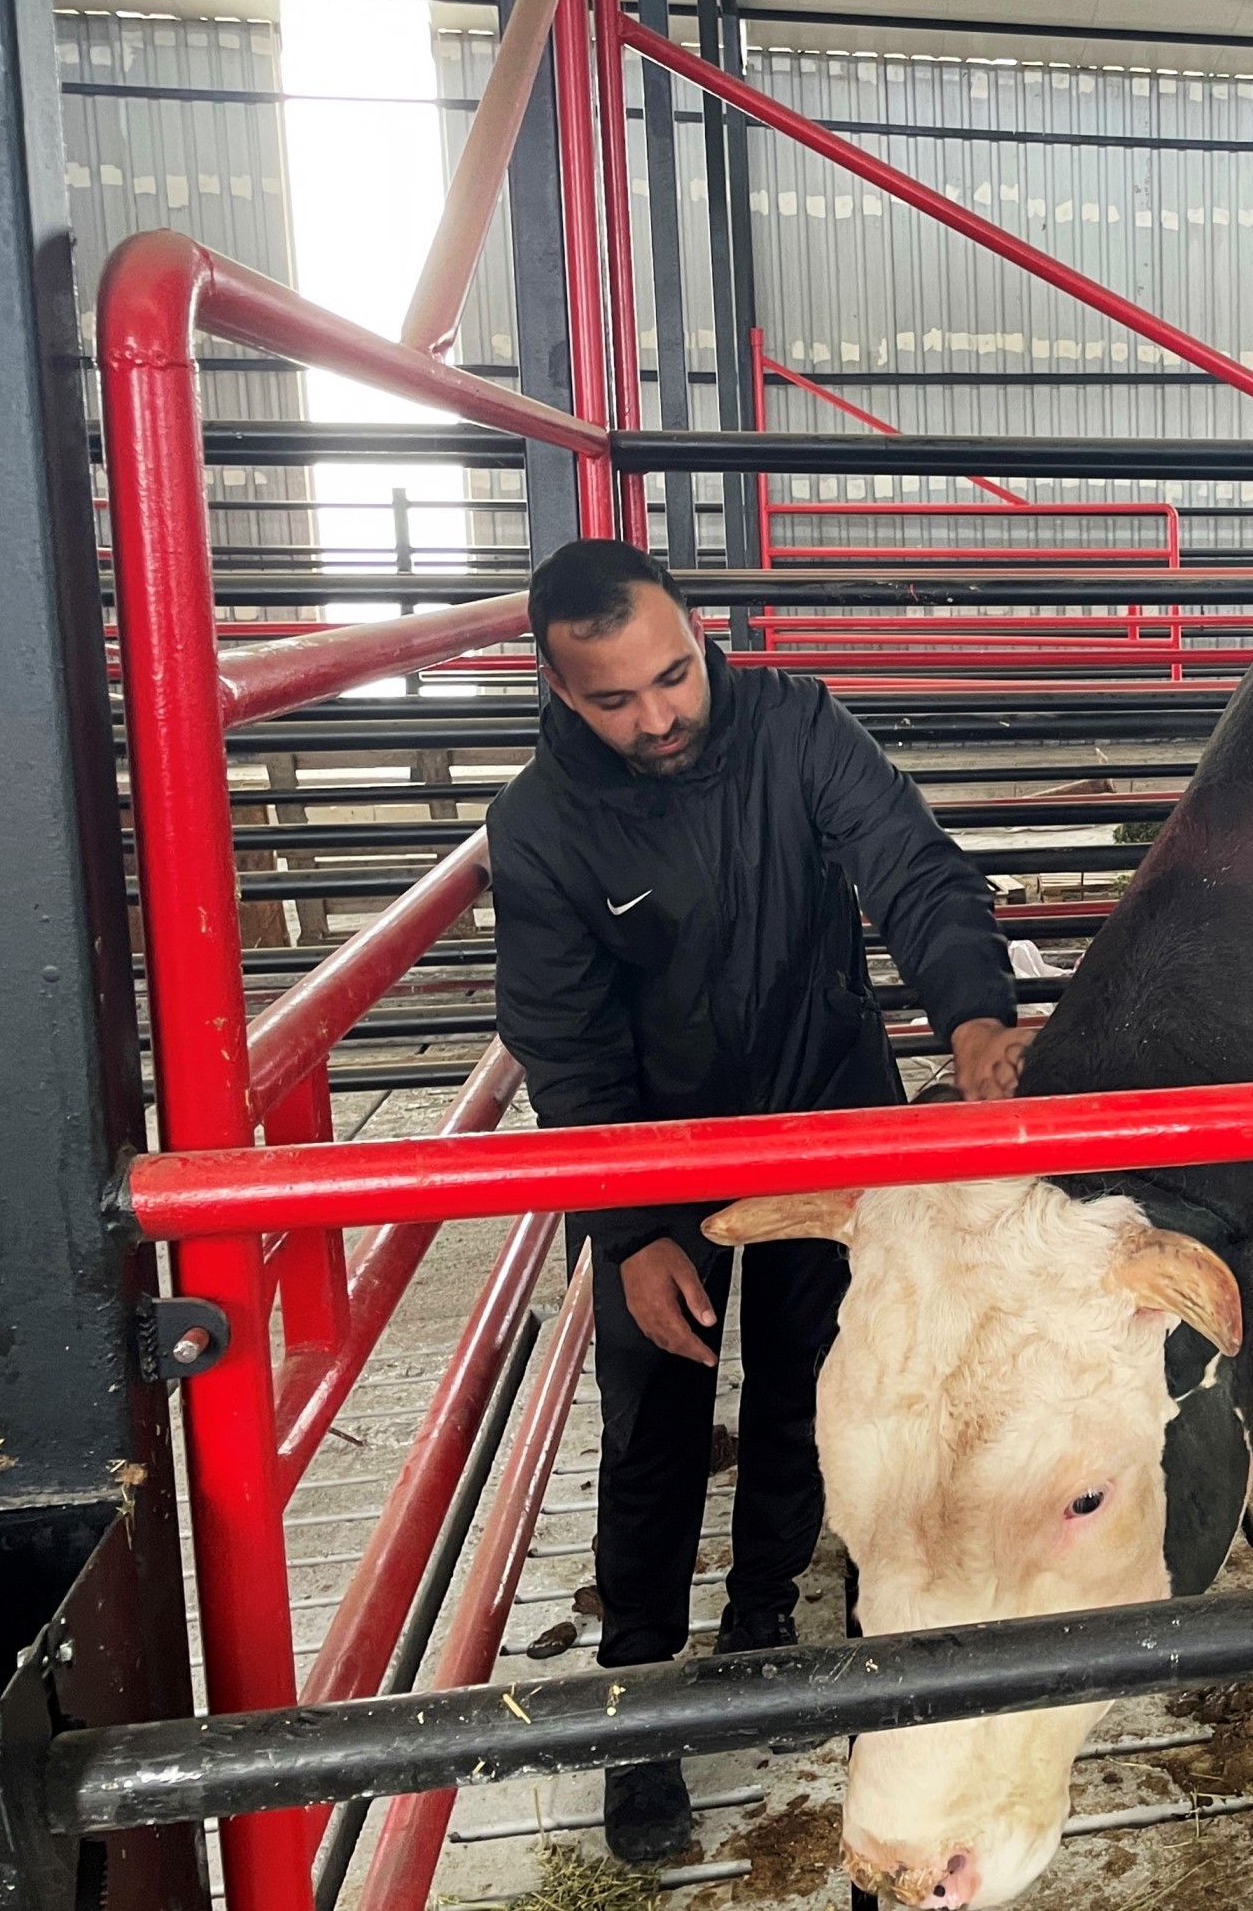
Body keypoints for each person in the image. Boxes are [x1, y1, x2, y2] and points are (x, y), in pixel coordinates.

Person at [489, 539, 1033, 1860]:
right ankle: (636, 1711)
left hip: (829, 1111)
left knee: (813, 1383)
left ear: (693, 629)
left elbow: (911, 865)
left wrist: (972, 1021)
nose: (659, 714)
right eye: (614, 698)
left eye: (672, 674)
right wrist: (628, 1226)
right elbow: (563, 1043)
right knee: (655, 1420)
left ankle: (761, 1628)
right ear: (559, 687)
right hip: (651, 1153)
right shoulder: (541, 821)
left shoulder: (794, 724)